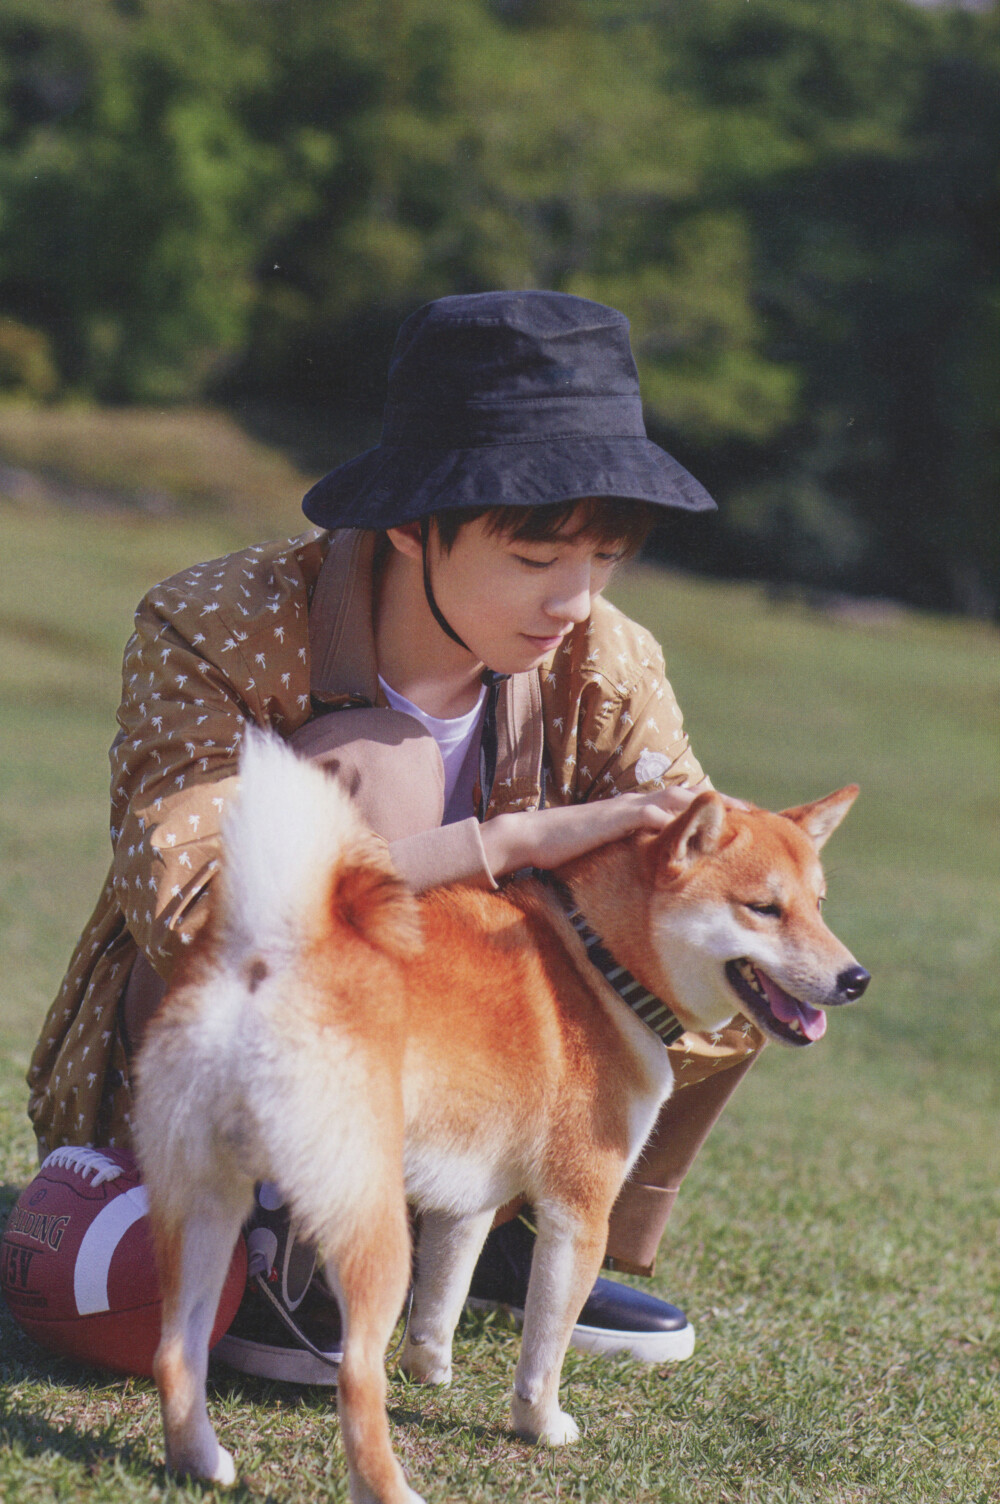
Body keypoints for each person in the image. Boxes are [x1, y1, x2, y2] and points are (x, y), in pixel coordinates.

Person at [27, 290, 763, 1385]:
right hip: (228, 1054)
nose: (574, 597)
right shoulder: (215, 621)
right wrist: (511, 841)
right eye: (534, 555)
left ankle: (529, 1222)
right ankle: (284, 1243)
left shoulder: (606, 655)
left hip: (480, 1069)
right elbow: (196, 906)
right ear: (413, 523)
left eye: (604, 556)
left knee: (727, 931)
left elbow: (703, 867)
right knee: (380, 762)